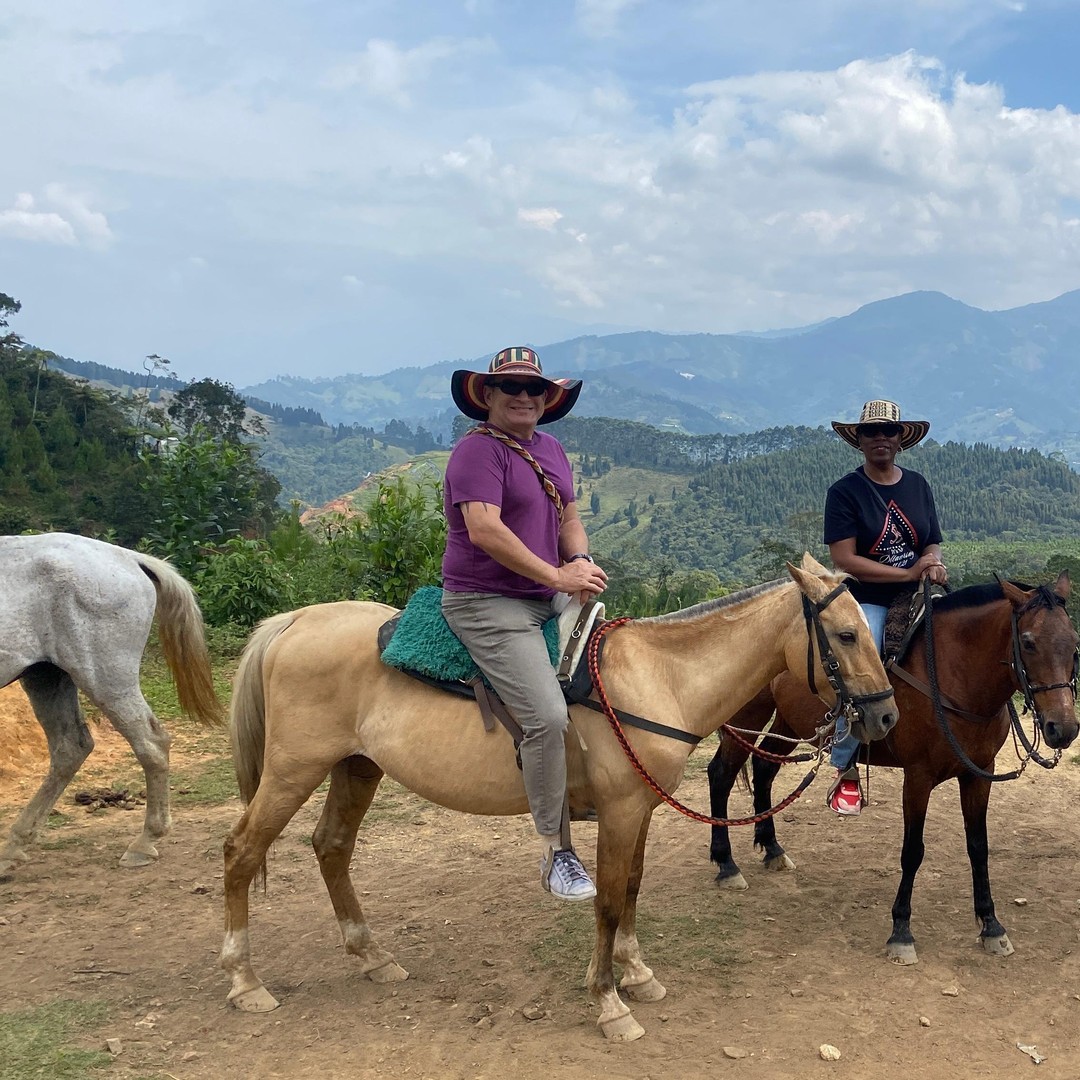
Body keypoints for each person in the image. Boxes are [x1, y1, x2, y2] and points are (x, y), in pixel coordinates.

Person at [441, 346, 608, 900]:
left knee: (614, 671)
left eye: (534, 388)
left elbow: (570, 518)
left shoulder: (550, 449)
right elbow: (485, 530)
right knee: (547, 716)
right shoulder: (477, 452)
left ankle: (594, 782)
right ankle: (556, 850)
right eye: (510, 387)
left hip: (545, 593)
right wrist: (558, 577)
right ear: (487, 395)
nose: (523, 396)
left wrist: (579, 562)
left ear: (546, 398)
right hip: (487, 602)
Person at [824, 399, 947, 815]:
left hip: (917, 592)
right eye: (871, 431)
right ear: (858, 440)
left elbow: (931, 540)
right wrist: (907, 572)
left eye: (888, 431)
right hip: (867, 598)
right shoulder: (845, 492)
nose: (880, 437)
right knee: (862, 666)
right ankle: (845, 764)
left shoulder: (918, 485)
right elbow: (844, 559)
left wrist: (932, 562)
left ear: (900, 439)